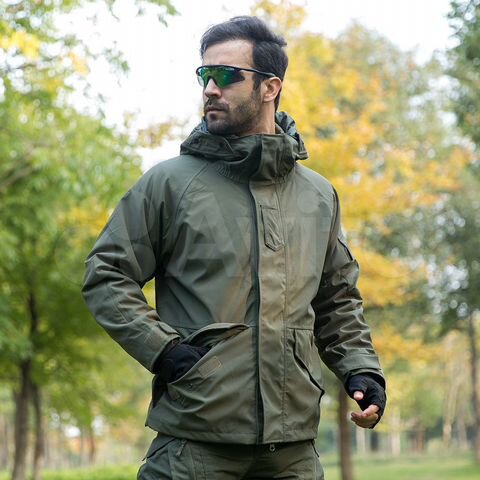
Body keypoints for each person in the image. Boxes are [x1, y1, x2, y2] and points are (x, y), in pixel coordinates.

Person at [82, 15, 386, 480]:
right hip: (194, 447)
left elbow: (337, 299)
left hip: (292, 451)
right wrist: (166, 352)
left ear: (270, 87)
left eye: (226, 76)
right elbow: (107, 275)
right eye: (204, 75)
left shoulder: (318, 196)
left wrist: (361, 370)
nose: (210, 89)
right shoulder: (170, 184)